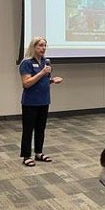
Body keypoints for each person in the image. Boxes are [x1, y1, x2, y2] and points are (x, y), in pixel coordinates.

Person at [19, 37, 63, 167]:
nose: (43, 48)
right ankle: (26, 156)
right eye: (40, 46)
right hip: (30, 102)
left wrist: (52, 80)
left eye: (45, 46)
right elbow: (26, 83)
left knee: (40, 128)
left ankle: (39, 153)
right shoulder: (26, 63)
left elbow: (42, 81)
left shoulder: (45, 62)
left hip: (44, 100)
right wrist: (43, 73)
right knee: (28, 129)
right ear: (33, 47)